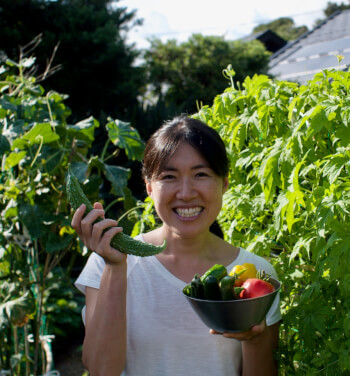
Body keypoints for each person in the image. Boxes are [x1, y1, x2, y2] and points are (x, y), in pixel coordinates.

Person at [72, 116, 281, 376]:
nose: (185, 193)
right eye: (169, 177)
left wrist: (254, 340)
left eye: (201, 174)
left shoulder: (256, 275)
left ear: (224, 182)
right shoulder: (109, 262)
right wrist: (115, 268)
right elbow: (102, 371)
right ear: (149, 186)